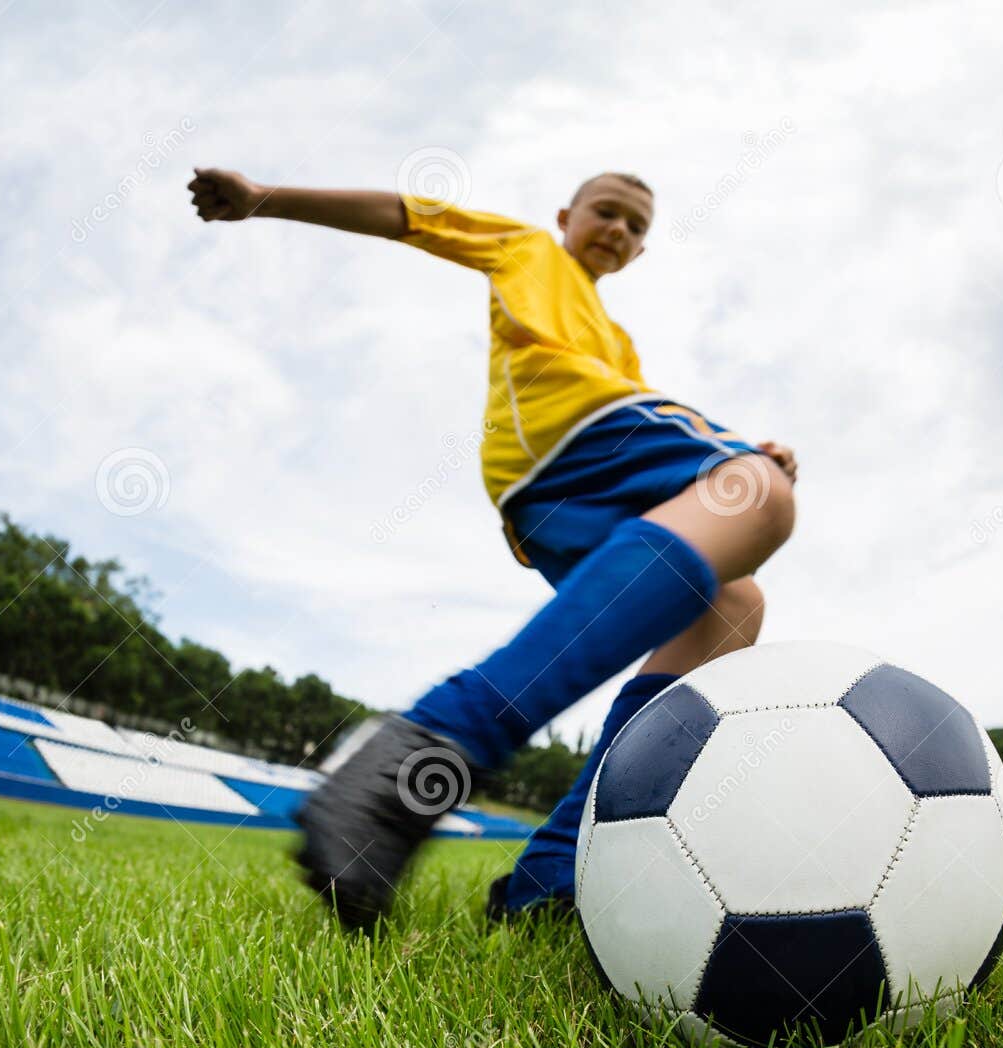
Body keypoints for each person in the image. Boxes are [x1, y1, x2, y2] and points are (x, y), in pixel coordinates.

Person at [188, 167, 798, 930]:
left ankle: (553, 872)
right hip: (566, 444)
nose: (619, 230)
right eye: (607, 212)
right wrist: (263, 200)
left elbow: (663, 443)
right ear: (566, 215)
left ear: (641, 254)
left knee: (734, 605)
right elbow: (402, 212)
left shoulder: (620, 343)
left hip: (556, 498)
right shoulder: (526, 248)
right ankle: (429, 749)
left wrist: (723, 474)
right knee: (762, 495)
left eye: (636, 227)